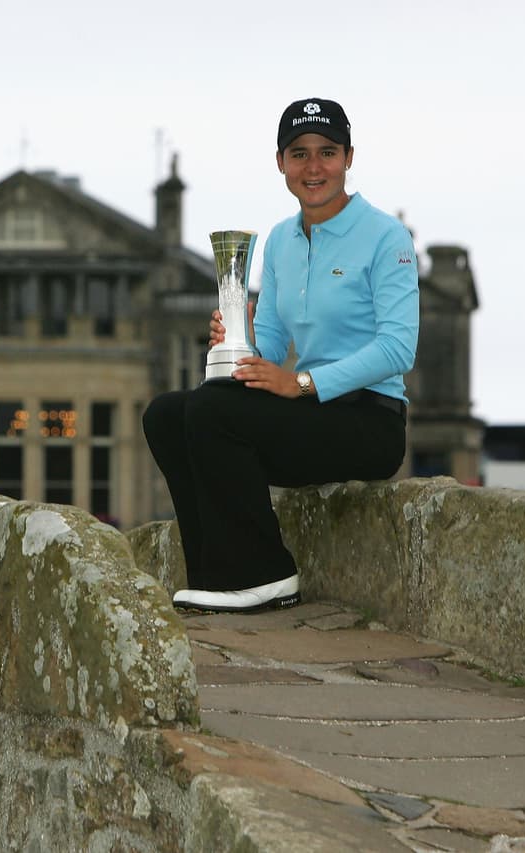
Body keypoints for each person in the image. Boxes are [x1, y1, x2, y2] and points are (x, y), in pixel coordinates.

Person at [142, 97, 418, 614]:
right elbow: (266, 344)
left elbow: (398, 347)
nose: (314, 167)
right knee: (168, 414)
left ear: (349, 157)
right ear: (281, 163)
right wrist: (232, 340)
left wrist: (303, 384)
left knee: (210, 411)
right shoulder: (280, 241)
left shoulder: (386, 236)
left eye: (327, 152)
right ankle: (213, 572)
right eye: (299, 154)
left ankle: (264, 573)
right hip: (308, 419)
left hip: (369, 422)